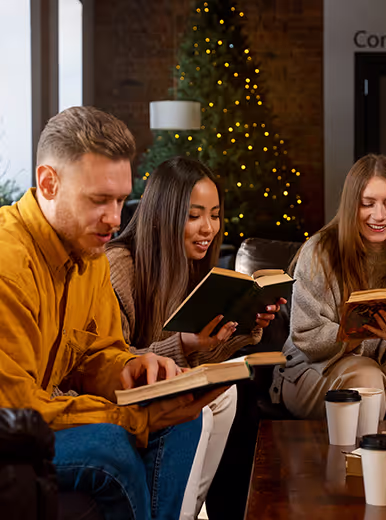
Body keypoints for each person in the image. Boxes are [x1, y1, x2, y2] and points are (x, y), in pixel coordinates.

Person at [0, 106, 222, 520]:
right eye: (99, 200)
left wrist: (134, 367)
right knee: (112, 446)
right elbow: (18, 413)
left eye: (121, 200)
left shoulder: (90, 253)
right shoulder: (8, 266)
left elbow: (95, 351)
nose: (115, 220)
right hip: (9, 432)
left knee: (182, 422)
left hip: (33, 421)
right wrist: (131, 416)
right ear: (48, 183)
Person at [106, 156, 284, 519]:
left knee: (228, 390)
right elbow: (114, 361)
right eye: (194, 215)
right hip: (122, 394)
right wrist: (183, 345)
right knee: (198, 411)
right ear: (162, 214)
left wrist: (248, 327)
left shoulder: (189, 266)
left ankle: (187, 512)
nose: (209, 228)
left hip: (162, 384)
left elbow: (194, 354)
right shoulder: (119, 267)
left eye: (215, 214)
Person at [271, 154, 386, 420]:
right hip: (311, 369)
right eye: (367, 204)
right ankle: (353, 462)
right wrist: (358, 333)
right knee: (367, 378)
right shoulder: (319, 251)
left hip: (383, 364)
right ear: (351, 206)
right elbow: (306, 339)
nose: (379, 216)